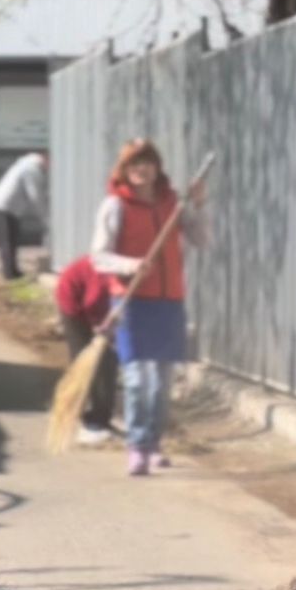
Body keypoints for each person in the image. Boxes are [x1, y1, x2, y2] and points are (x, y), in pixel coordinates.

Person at [90, 138, 210, 476]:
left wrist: (199, 205)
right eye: (134, 164)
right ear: (125, 170)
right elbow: (98, 256)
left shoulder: (174, 203)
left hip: (169, 303)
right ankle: (137, 445)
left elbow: (202, 240)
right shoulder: (115, 206)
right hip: (132, 302)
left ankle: (154, 443)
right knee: (137, 379)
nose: (141, 169)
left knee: (161, 382)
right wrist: (130, 265)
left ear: (157, 168)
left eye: (147, 163)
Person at [55, 254, 118, 445]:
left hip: (97, 306)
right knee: (87, 359)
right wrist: (101, 328)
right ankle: (89, 418)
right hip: (73, 305)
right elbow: (92, 303)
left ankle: (101, 414)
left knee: (109, 361)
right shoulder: (104, 275)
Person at [0, 150, 49, 279]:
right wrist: (46, 218)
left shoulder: (26, 165)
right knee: (7, 240)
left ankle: (13, 271)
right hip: (4, 206)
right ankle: (9, 273)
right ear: (46, 159)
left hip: (6, 206)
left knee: (11, 240)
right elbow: (35, 196)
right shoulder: (31, 169)